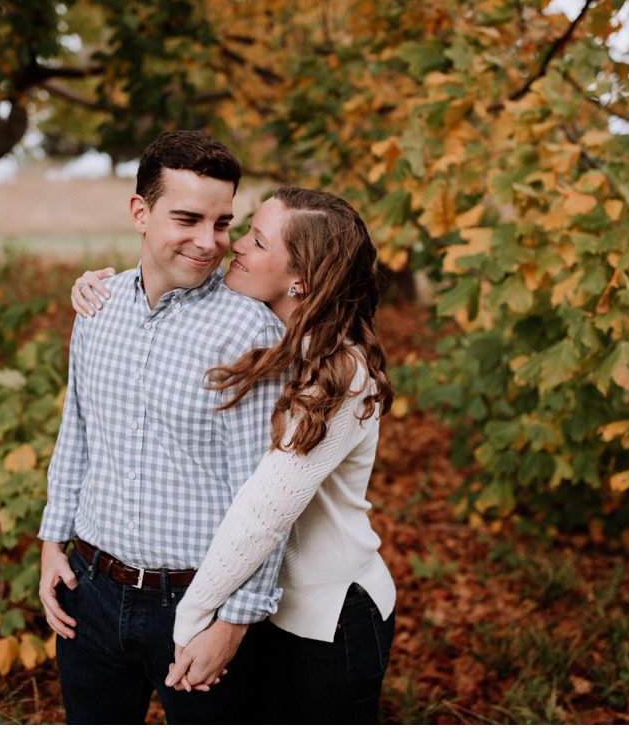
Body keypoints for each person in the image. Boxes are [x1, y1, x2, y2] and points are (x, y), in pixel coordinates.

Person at [70, 185, 397, 723]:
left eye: (259, 241)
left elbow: (262, 513)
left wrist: (189, 621)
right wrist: (103, 292)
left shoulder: (342, 374)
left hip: (326, 617)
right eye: (245, 229)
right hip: (257, 603)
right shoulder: (270, 340)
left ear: (303, 279)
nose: (235, 246)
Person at [37, 130, 291, 724]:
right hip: (91, 592)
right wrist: (53, 544)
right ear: (140, 212)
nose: (209, 243)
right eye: (188, 219)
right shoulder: (97, 307)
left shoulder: (247, 333)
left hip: (197, 602)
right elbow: (77, 432)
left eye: (223, 223)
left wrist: (233, 623)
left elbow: (266, 499)